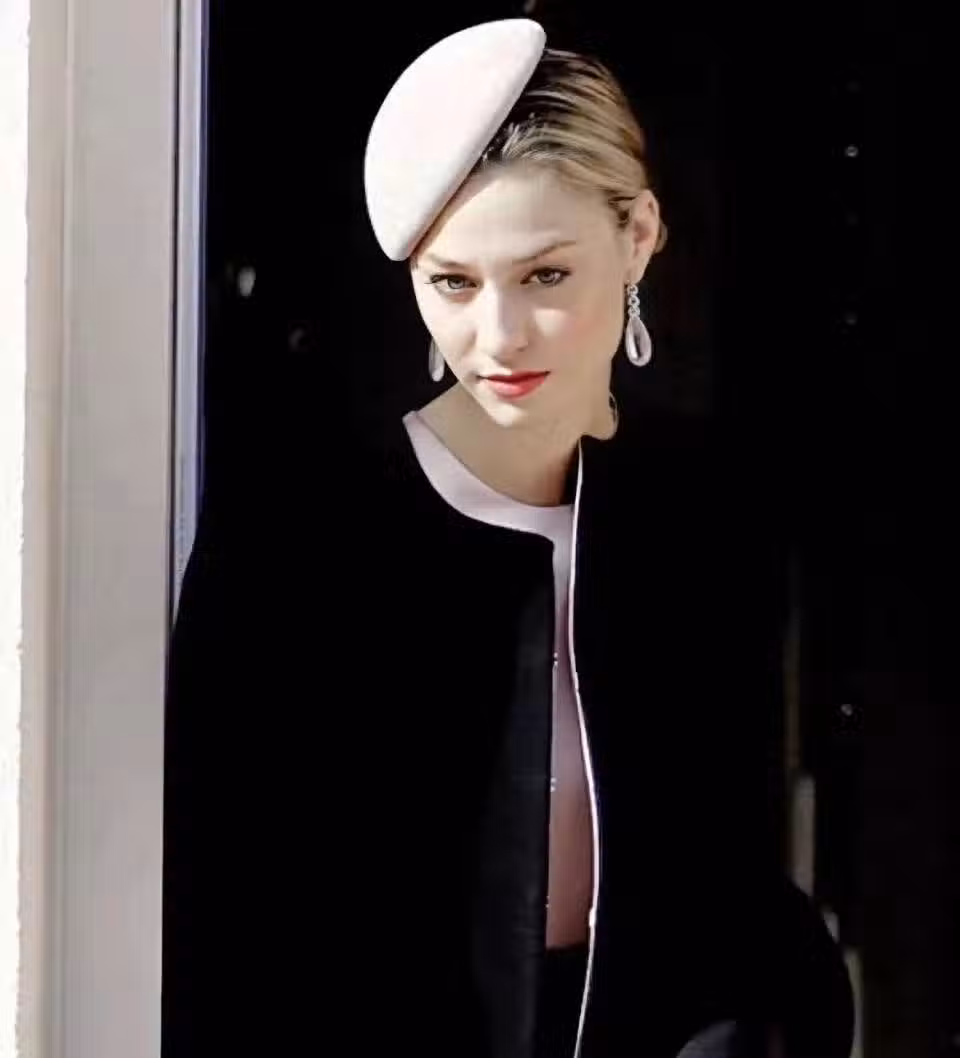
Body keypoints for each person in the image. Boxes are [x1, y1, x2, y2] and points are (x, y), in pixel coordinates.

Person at [162, 19, 854, 1058]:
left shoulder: (710, 519)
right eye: (454, 282)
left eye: (545, 276)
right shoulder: (306, 540)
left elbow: (734, 890)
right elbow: (222, 922)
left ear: (639, 236)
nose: (498, 336)